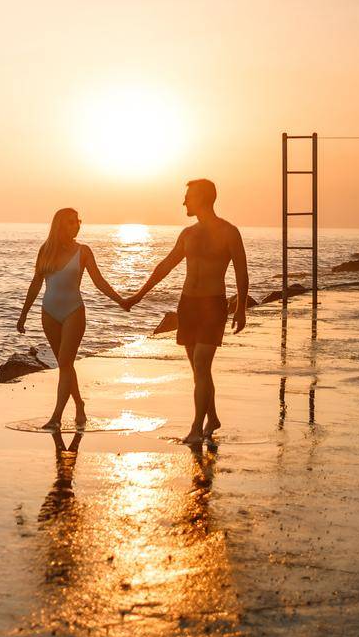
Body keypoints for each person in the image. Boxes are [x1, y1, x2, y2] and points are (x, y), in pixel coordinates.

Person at [124, 178, 249, 444]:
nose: (184, 201)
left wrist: (240, 310)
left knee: (202, 365)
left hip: (213, 305)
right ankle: (212, 417)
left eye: (188, 196)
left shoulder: (229, 232)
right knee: (199, 370)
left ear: (203, 197)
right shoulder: (187, 234)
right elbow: (165, 266)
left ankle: (196, 427)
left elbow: (241, 271)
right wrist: (138, 295)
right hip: (188, 304)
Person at [16, 208, 129, 429]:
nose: (76, 225)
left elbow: (99, 282)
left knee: (66, 364)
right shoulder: (45, 250)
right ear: (59, 225)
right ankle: (79, 405)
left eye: (77, 221)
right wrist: (23, 314)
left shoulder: (83, 251)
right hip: (48, 313)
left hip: (73, 312)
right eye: (70, 222)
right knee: (64, 365)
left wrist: (120, 300)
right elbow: (36, 283)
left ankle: (56, 417)